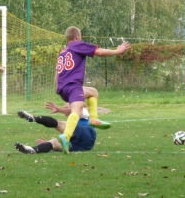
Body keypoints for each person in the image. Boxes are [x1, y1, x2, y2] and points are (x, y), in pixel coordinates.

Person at [56, 26, 131, 154]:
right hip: (73, 86)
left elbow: (57, 73)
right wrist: (117, 51)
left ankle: (93, 119)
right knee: (77, 111)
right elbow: (99, 52)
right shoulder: (77, 45)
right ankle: (66, 136)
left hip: (62, 87)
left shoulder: (63, 52)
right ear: (77, 37)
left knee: (93, 92)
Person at [15, 102, 96, 154]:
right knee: (54, 142)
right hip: (82, 146)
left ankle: (34, 118)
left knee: (59, 123)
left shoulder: (83, 111)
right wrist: (46, 143)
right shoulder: (71, 120)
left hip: (88, 134)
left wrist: (59, 109)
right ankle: (33, 149)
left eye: (66, 107)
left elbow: (74, 111)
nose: (65, 109)